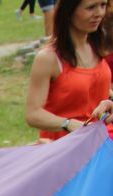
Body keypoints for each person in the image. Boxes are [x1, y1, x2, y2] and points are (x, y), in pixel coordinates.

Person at [25, 0, 113, 140]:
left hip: (102, 143)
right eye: (91, 7)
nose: (99, 13)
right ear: (69, 11)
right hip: (66, 147)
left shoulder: (99, 48)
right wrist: (68, 124)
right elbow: (33, 114)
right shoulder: (49, 58)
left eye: (103, 5)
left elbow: (97, 91)